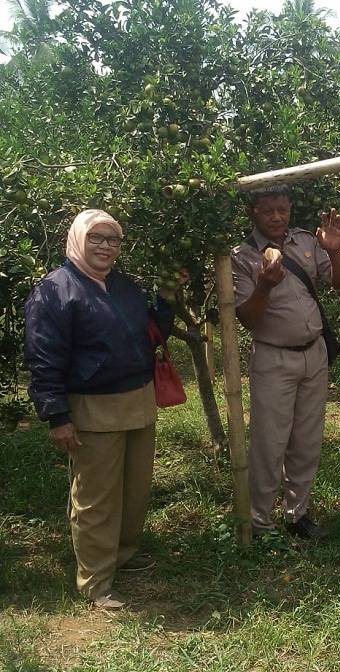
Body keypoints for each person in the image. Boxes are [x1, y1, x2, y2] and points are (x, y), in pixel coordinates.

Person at [24, 209, 187, 610]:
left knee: (134, 491)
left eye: (113, 239)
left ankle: (123, 554)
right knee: (96, 496)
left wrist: (165, 301)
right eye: (97, 238)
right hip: (92, 407)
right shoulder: (54, 291)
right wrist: (57, 416)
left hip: (137, 399)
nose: (105, 247)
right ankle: (95, 581)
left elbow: (151, 335)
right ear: (78, 240)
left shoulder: (126, 288)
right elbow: (43, 359)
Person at [231, 184, 340, 539]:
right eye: (268, 210)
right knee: (269, 442)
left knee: (306, 439)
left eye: (282, 209)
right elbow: (249, 320)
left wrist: (335, 251)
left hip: (313, 354)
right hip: (273, 358)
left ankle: (297, 515)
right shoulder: (242, 256)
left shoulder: (305, 241)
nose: (276, 217)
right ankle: (259, 521)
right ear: (253, 211)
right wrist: (264, 286)